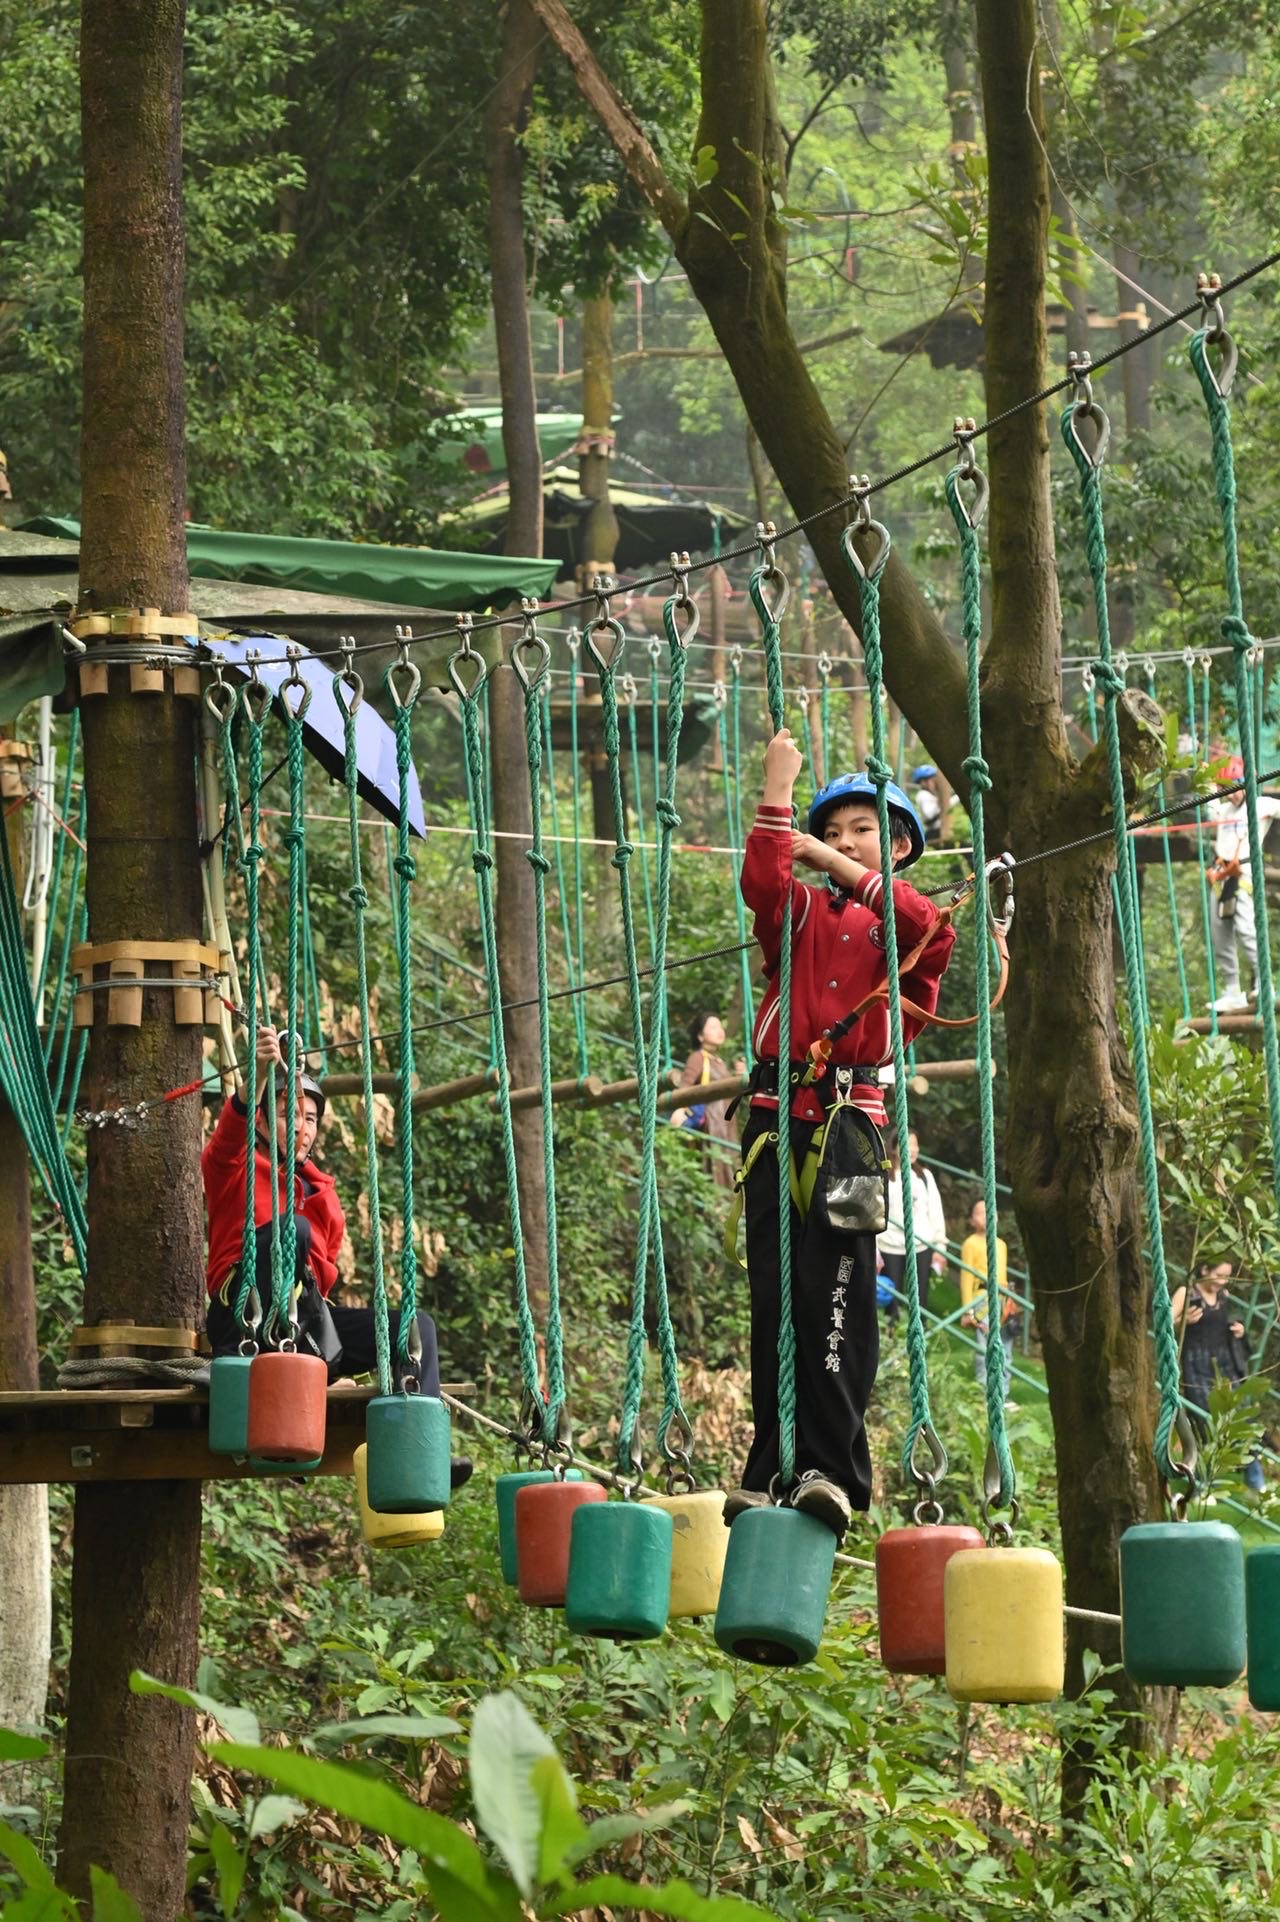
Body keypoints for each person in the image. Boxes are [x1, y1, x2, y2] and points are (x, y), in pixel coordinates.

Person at [726, 729, 956, 1539]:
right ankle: (772, 1466)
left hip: (853, 1129)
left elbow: (923, 923)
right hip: (773, 1121)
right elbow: (761, 882)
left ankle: (834, 1469)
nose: (842, 842)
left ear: (896, 845)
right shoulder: (797, 917)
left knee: (839, 1292)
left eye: (861, 831)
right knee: (773, 1295)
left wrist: (837, 865)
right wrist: (776, 786)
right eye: (831, 833)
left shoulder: (905, 926)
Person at [202, 1025, 471, 1483]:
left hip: (305, 1321)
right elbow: (230, 1133)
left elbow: (322, 1279)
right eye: (290, 1115)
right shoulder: (234, 1168)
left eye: (311, 1118)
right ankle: (277, 1365)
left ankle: (417, 1449)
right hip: (241, 1314)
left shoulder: (321, 1193)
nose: (303, 1128)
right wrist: (260, 1075)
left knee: (414, 1326)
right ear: (264, 1122)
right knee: (292, 1230)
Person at [1169, 1259, 1263, 1491]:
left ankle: (1256, 1483)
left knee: (1242, 1418)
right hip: (1195, 1366)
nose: (1223, 1281)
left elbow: (1223, 1325)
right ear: (1204, 1270)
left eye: (1227, 1276)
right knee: (1204, 1423)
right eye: (1219, 1275)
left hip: (1224, 1366)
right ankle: (1200, 1485)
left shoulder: (1224, 1295)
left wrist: (1239, 1330)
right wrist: (1184, 1321)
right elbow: (1166, 1323)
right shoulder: (1186, 1292)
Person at [1205, 757, 1280, 1012]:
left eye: (1235, 788)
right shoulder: (1224, 811)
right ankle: (1232, 990)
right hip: (1221, 874)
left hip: (1243, 874)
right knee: (1220, 933)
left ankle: (1264, 982)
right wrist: (1207, 780)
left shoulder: (1262, 805)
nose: (1232, 795)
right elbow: (1210, 807)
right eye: (1227, 790)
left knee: (1247, 929)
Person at [878, 1128, 947, 1322]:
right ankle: (892, 1338)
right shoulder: (885, 1176)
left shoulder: (924, 1176)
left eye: (916, 1145)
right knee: (891, 1297)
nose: (914, 1149)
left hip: (921, 1244)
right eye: (909, 1145)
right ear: (894, 1147)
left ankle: (920, 1337)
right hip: (889, 1244)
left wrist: (940, 1245)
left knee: (921, 1297)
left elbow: (935, 1211)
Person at [958, 1197, 1017, 1399]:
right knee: (984, 1347)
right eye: (980, 1212)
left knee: (1006, 1347)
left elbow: (1004, 1276)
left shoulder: (1001, 1245)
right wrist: (968, 1309)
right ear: (972, 1220)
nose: (987, 1215)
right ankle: (984, 1390)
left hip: (1003, 1299)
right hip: (982, 1299)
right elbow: (966, 1277)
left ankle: (1004, 1393)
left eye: (990, 1210)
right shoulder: (970, 1244)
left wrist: (1010, 1301)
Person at [676, 1011, 743, 1191]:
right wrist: (679, 1110)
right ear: (700, 1035)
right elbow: (685, 1085)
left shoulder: (719, 1061)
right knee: (719, 1169)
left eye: (720, 1026)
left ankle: (730, 1211)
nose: (719, 1030)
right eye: (713, 1027)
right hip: (713, 1124)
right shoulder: (698, 1057)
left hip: (727, 1125)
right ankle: (719, 1211)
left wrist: (739, 1076)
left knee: (731, 1167)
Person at [910, 764, 943, 845]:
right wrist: (944, 804)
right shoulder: (923, 795)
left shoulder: (931, 794)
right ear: (923, 782)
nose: (933, 782)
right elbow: (929, 815)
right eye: (930, 780)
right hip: (934, 833)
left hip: (938, 831)